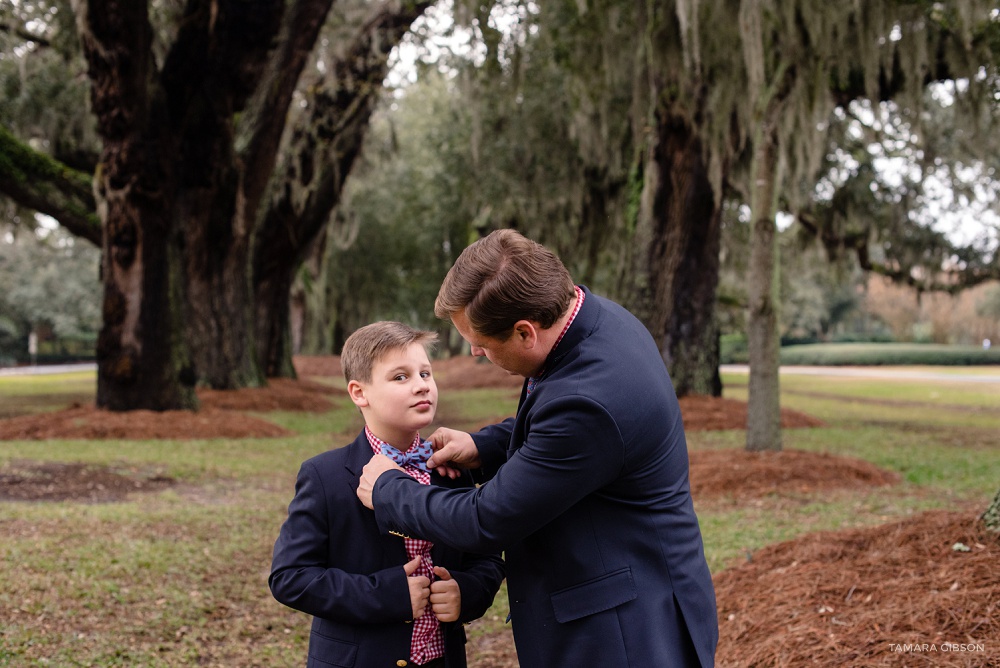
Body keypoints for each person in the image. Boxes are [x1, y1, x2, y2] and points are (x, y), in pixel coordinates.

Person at [358, 229, 719, 667]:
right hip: (634, 590)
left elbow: (486, 519)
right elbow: (558, 428)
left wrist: (390, 490)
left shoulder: (589, 400)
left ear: (525, 332)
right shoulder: (592, 318)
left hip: (623, 632)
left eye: (483, 344)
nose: (474, 351)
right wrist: (483, 445)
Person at [270, 321, 504, 668]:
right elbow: (290, 577)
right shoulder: (326, 476)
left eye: (426, 373)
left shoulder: (450, 469)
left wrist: (466, 593)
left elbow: (486, 557)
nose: (421, 386)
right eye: (400, 377)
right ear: (359, 392)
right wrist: (387, 594)